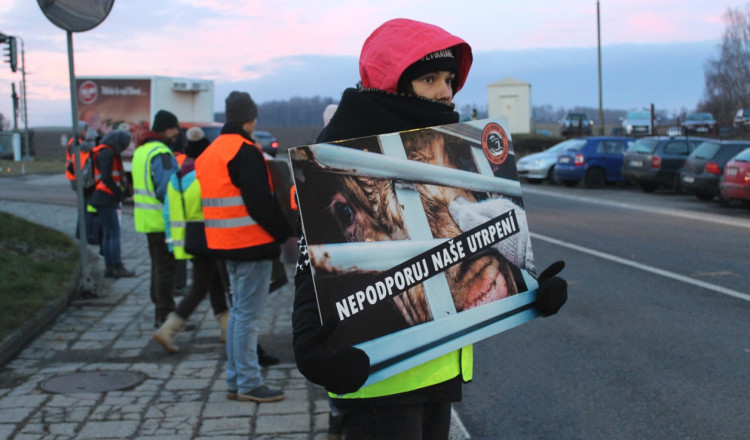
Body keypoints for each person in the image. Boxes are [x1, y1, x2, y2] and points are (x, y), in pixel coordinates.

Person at [292, 18, 568, 440]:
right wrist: (309, 345)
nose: (445, 91)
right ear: (392, 84)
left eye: (449, 80)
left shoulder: (447, 141)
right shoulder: (340, 152)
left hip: (440, 367)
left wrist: (530, 291)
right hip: (378, 379)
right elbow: (310, 263)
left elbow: (467, 231)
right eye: (428, 79)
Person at [195, 91, 293, 403]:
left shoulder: (211, 152)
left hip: (223, 245)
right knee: (247, 318)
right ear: (250, 119)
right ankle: (249, 382)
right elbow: (260, 204)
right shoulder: (245, 151)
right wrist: (283, 232)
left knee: (238, 315)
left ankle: (236, 380)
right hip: (251, 244)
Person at [153, 127, 230, 352]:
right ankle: (168, 330)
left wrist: (172, 240)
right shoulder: (206, 174)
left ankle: (227, 329)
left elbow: (168, 212)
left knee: (215, 284)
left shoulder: (177, 177)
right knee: (199, 288)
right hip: (211, 236)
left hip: (191, 238)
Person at [132, 109, 180, 328]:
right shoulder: (161, 153)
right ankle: (166, 314)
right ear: (163, 129)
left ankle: (160, 311)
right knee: (165, 269)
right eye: (173, 128)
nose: (176, 132)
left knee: (157, 267)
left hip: (147, 219)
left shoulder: (142, 151)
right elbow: (167, 189)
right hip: (163, 220)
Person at [88, 129, 136, 278]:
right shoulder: (108, 153)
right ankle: (117, 266)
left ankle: (109, 268)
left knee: (108, 233)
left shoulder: (102, 151)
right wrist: (120, 195)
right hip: (106, 197)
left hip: (101, 197)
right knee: (114, 233)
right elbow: (107, 177)